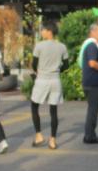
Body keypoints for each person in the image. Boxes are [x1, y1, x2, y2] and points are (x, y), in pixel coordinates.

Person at [30, 21, 69, 150]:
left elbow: (34, 64)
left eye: (43, 30)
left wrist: (38, 71)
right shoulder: (62, 47)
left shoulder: (39, 46)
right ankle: (52, 140)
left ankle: (39, 135)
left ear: (49, 31)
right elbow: (66, 65)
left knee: (34, 106)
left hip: (42, 79)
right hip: (55, 80)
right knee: (53, 111)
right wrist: (57, 70)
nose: (41, 32)